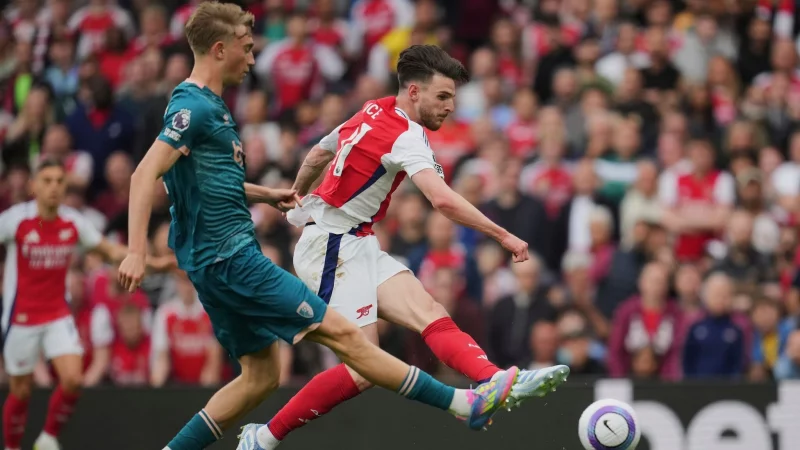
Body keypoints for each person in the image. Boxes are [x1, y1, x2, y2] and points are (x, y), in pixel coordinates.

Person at [115, 4, 519, 450]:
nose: (253, 59)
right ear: (219, 48)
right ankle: (464, 404)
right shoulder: (195, 106)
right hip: (234, 259)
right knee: (353, 343)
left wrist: (269, 194)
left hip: (215, 261)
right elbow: (143, 175)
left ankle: (229, 443)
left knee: (262, 376)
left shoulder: (205, 105)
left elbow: (204, 181)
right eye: (248, 49)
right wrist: (135, 250)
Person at [271, 44, 569, 448]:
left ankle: (493, 381)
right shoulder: (407, 136)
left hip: (354, 241)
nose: (449, 107)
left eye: (453, 98)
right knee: (362, 368)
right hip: (330, 249)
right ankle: (265, 437)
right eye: (442, 96)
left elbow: (318, 153)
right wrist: (503, 235)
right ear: (414, 92)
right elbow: (442, 199)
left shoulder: (373, 108)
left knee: (429, 311)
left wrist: (296, 195)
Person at [0, 159, 169, 450]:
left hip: (56, 314)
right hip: (21, 317)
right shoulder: (15, 220)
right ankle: (13, 447)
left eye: (59, 181)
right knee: (21, 391)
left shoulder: (73, 222)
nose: (54, 187)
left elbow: (110, 251)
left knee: (73, 380)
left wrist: (151, 262)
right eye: (47, 181)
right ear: (33, 187)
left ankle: (48, 438)